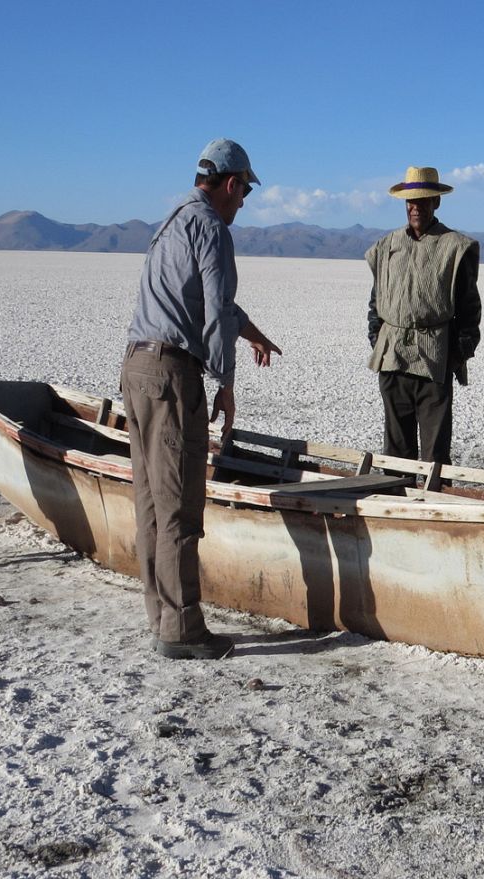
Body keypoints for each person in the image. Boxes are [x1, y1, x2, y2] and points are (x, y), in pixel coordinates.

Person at [123, 138, 282, 660]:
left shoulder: (171, 219)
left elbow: (209, 303)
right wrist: (227, 384)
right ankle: (182, 629)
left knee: (150, 504)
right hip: (172, 375)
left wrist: (252, 331)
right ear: (232, 184)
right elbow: (215, 309)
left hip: (139, 368)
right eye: (244, 193)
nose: (243, 204)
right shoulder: (211, 227)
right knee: (179, 507)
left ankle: (163, 617)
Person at [365, 166, 482, 463]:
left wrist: (459, 352)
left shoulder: (455, 247)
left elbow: (469, 308)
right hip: (392, 357)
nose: (415, 208)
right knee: (396, 448)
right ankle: (392, 501)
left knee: (435, 451)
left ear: (436, 202)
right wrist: (376, 337)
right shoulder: (387, 245)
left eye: (423, 201)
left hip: (434, 358)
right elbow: (377, 298)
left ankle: (432, 503)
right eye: (410, 202)